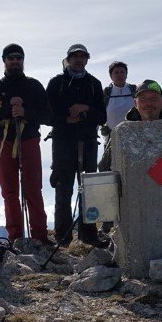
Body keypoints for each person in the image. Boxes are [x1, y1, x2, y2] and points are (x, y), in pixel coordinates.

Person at [0, 44, 52, 244]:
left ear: (23, 60)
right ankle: (15, 237)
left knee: (33, 188)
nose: (15, 61)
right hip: (4, 141)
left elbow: (48, 116)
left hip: (28, 139)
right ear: (4, 60)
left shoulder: (34, 86)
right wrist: (8, 110)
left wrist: (25, 112)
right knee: (9, 191)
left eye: (18, 58)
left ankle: (40, 236)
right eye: (11, 58)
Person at [46, 43, 108, 247]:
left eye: (83, 56)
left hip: (88, 142)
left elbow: (102, 116)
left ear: (87, 59)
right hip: (63, 142)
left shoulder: (94, 84)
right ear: (69, 59)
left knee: (88, 189)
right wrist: (66, 119)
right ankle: (63, 237)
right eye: (75, 56)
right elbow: (47, 113)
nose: (79, 60)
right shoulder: (57, 83)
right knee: (63, 187)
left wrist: (86, 108)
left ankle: (88, 235)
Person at [102, 61, 136, 137]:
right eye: (116, 72)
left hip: (134, 134)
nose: (119, 75)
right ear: (111, 76)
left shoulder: (135, 90)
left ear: (126, 75)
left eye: (122, 72)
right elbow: (100, 112)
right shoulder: (106, 93)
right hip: (112, 136)